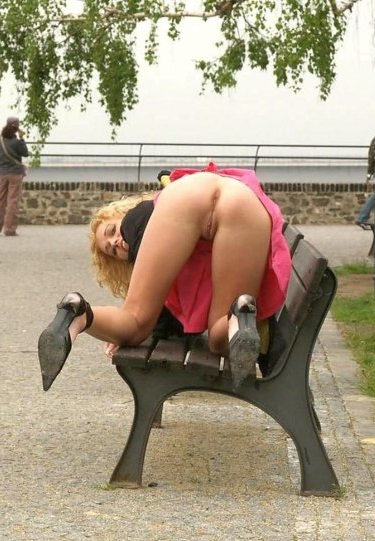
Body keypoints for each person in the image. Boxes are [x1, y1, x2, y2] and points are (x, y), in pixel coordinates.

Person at [37, 163, 292, 391]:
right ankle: (238, 314)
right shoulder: (154, 205)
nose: (116, 241)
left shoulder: (139, 220)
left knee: (137, 321)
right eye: (112, 250)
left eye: (113, 230)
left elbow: (145, 321)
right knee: (221, 328)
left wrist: (119, 330)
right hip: (242, 200)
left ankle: (79, 313)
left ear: (122, 214)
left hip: (184, 200)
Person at [0, 116, 29, 236]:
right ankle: (10, 229)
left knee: (0, 200)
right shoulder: (16, 142)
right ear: (17, 128)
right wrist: (22, 138)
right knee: (13, 201)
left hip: (3, 173)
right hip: (15, 173)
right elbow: (25, 153)